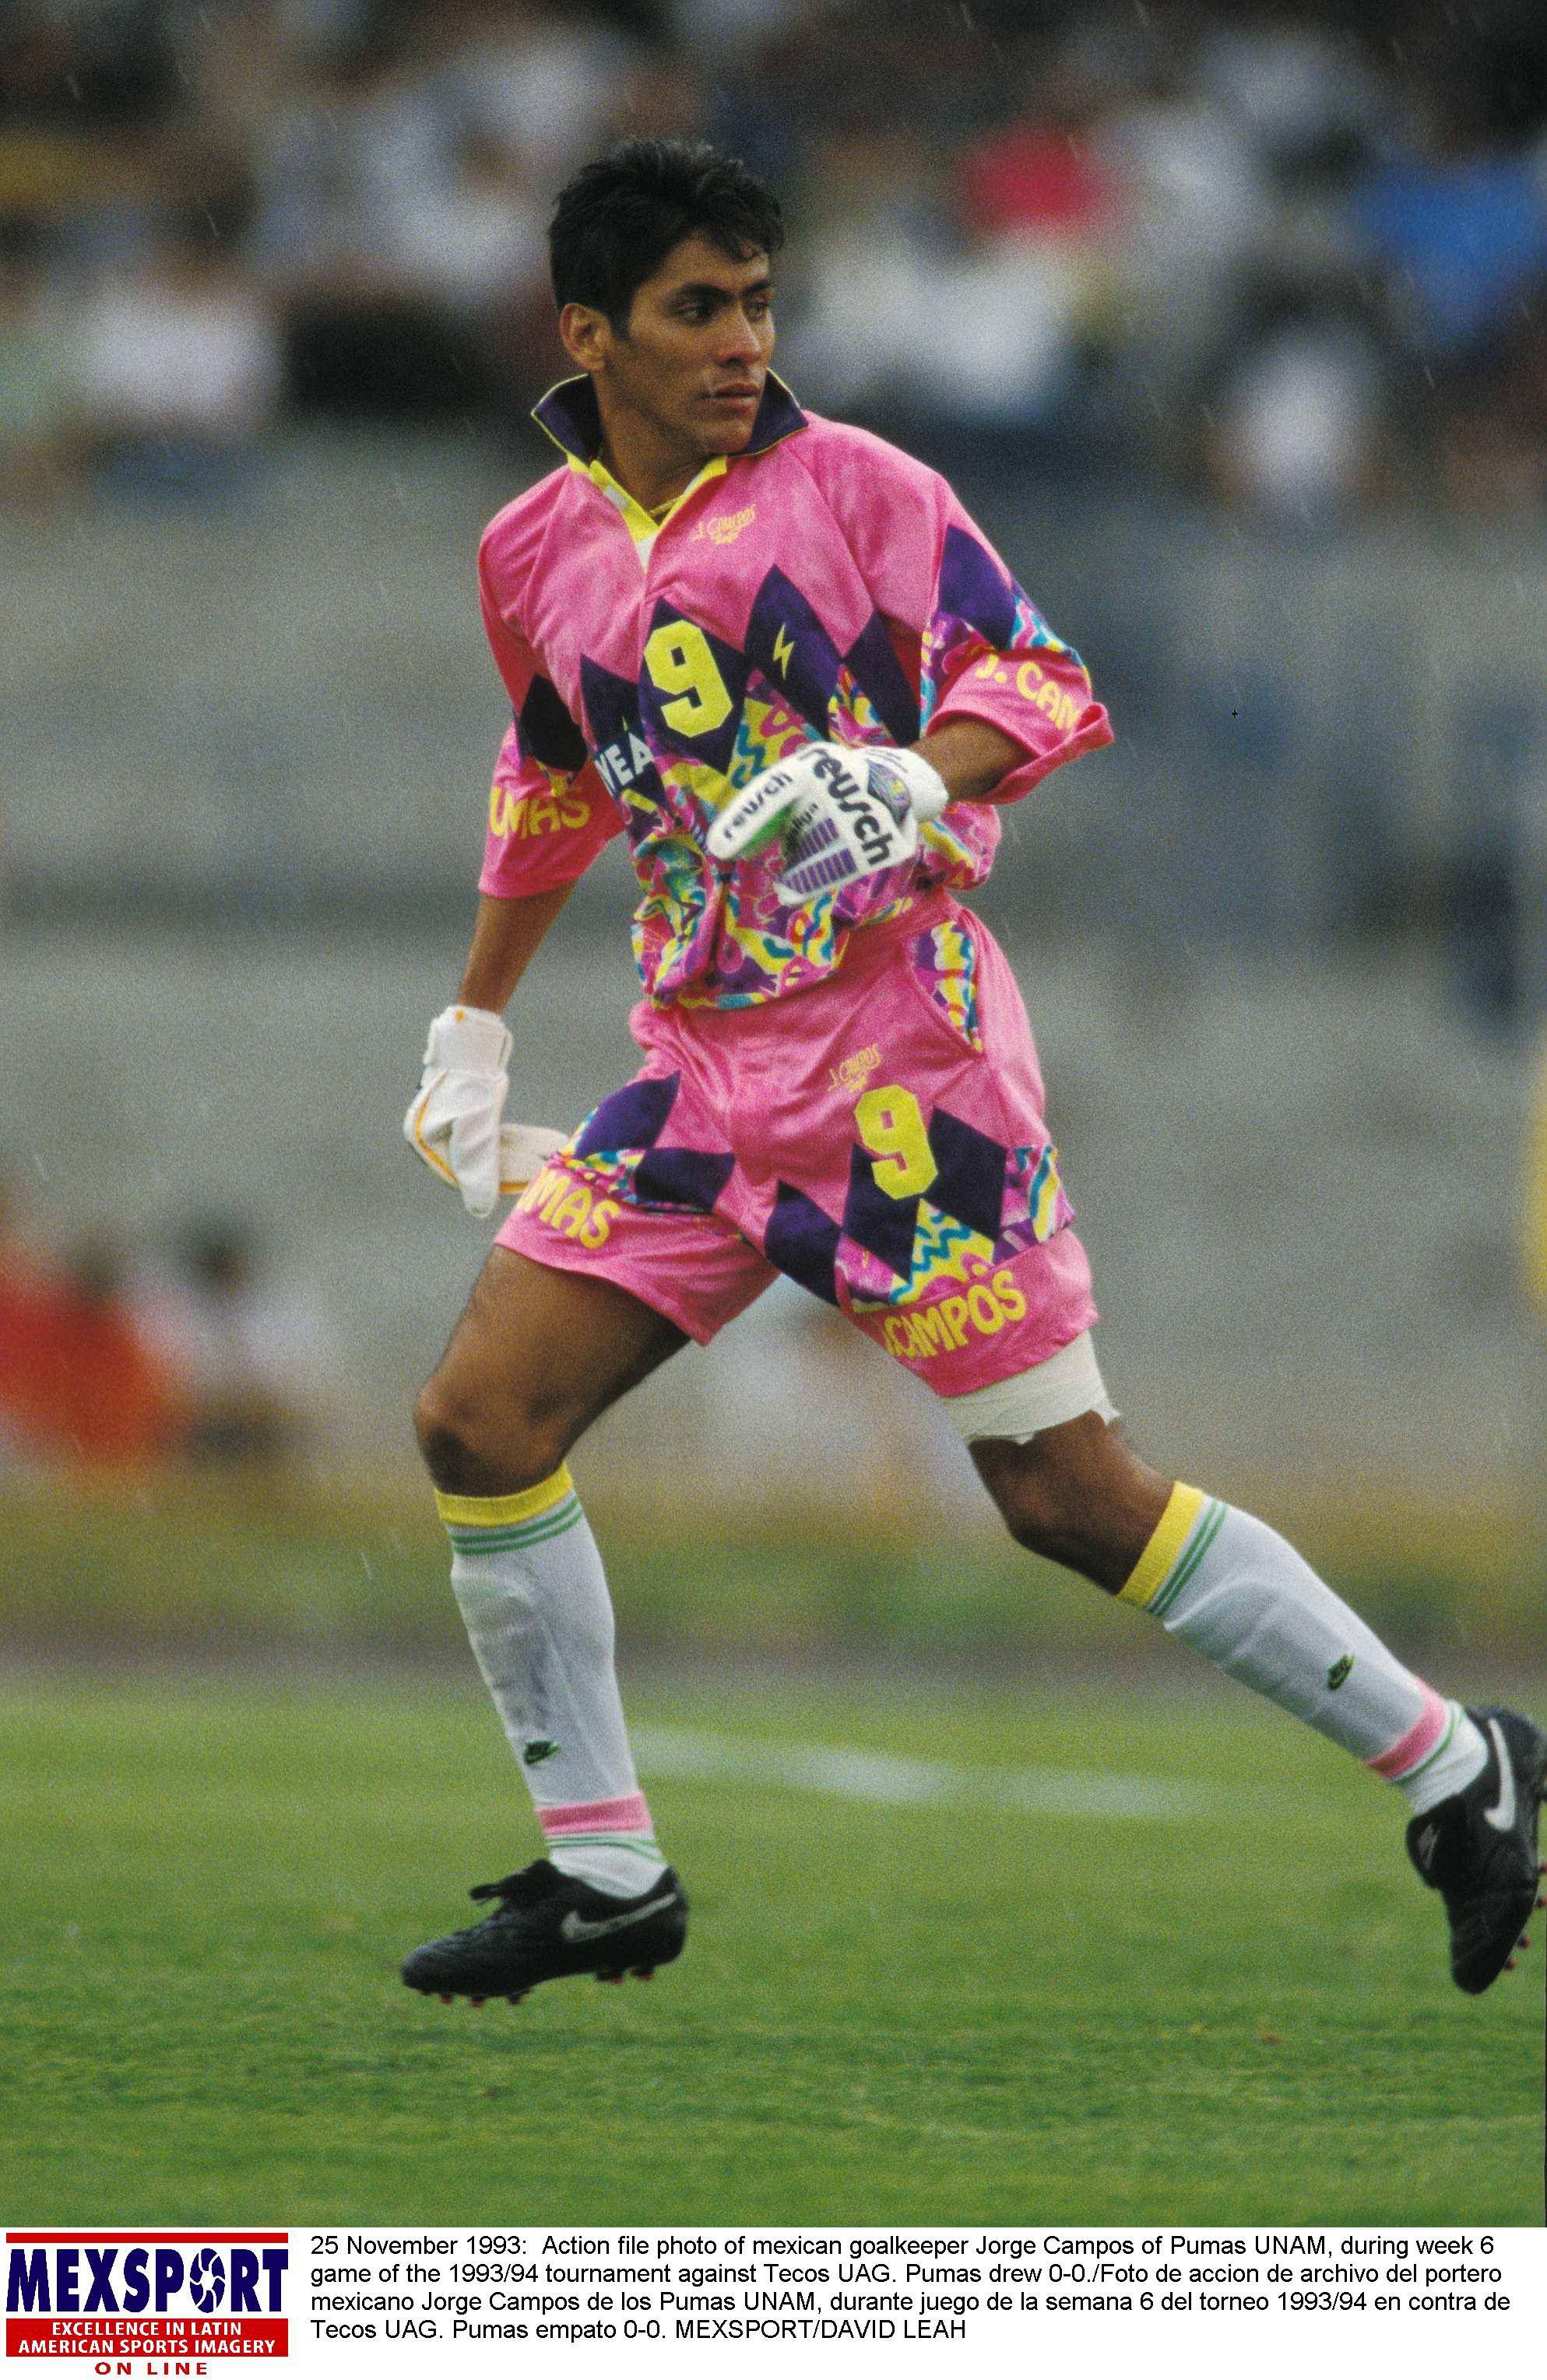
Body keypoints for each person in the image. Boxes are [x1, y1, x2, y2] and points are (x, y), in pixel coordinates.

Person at [400, 138, 1544, 2008]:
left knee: (1065, 1494)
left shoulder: (861, 487)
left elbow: (1044, 681)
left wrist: (923, 772)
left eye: (761, 302)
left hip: (900, 1066)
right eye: (700, 308)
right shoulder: (527, 551)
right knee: (477, 1419)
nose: (743, 343)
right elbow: (551, 780)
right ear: (589, 330)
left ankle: (1454, 1761)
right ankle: (607, 1870)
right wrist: (475, 1022)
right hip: (694, 1078)